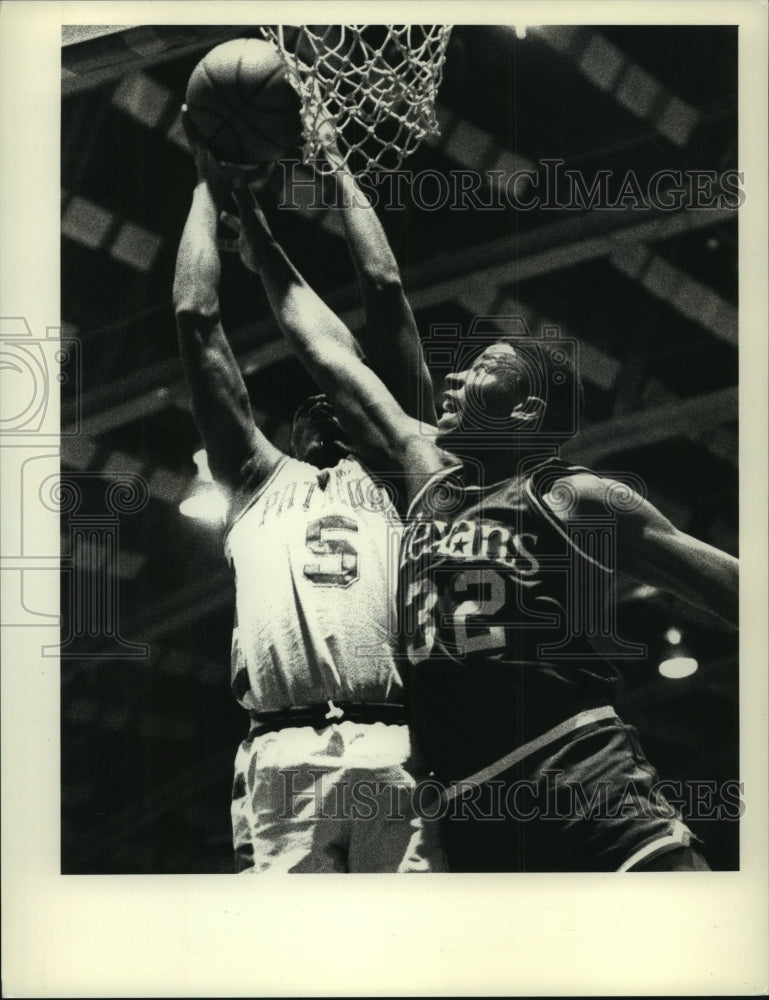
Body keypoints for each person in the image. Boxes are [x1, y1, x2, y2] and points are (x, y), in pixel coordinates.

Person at [228, 168, 739, 873]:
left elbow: (733, 587)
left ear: (525, 411)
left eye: (483, 369)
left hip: (578, 769)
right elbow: (327, 351)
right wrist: (261, 234)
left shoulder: (573, 496)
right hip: (471, 806)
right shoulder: (424, 474)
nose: (455, 377)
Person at [173, 122, 445, 873]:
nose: (324, 405)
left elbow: (385, 292)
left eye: (336, 396)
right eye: (307, 407)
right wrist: (208, 188)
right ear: (286, 431)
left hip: (397, 744)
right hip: (282, 756)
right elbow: (195, 320)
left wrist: (340, 175)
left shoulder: (402, 465)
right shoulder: (255, 484)